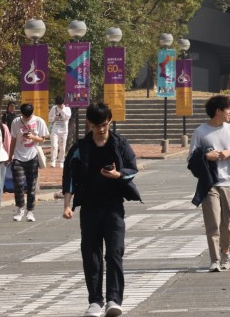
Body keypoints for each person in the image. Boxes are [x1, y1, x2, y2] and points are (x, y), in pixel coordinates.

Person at [62, 103, 140, 317]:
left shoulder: (119, 143)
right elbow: (69, 176)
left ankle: (114, 300)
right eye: (97, 126)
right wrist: (67, 205)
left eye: (105, 124)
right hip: (89, 208)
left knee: (114, 252)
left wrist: (118, 174)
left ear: (110, 121)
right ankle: (95, 301)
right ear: (89, 124)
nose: (101, 129)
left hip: (114, 207)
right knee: (91, 254)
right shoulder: (80, 147)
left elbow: (132, 168)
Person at [188, 95, 230, 271]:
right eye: (228, 109)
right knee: (212, 222)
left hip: (229, 183)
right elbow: (191, 159)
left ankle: (225, 254)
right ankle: (214, 259)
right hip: (210, 183)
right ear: (218, 111)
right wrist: (206, 156)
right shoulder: (200, 132)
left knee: (228, 223)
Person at [8, 102, 49, 222]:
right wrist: (10, 156)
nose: (27, 119)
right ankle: (20, 209)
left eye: (29, 116)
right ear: (21, 114)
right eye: (25, 117)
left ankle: (30, 211)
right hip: (18, 157)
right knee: (18, 184)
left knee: (31, 186)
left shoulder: (39, 121)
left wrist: (33, 137)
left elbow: (42, 140)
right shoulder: (16, 122)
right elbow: (13, 140)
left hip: (32, 156)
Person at [48, 95, 72, 168]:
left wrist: (62, 110)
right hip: (55, 130)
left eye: (60, 104)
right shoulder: (54, 108)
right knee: (54, 146)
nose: (58, 105)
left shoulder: (67, 109)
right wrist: (53, 119)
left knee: (62, 147)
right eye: (57, 104)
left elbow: (67, 117)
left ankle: (61, 161)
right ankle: (53, 161)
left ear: (62, 103)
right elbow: (49, 118)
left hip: (64, 131)